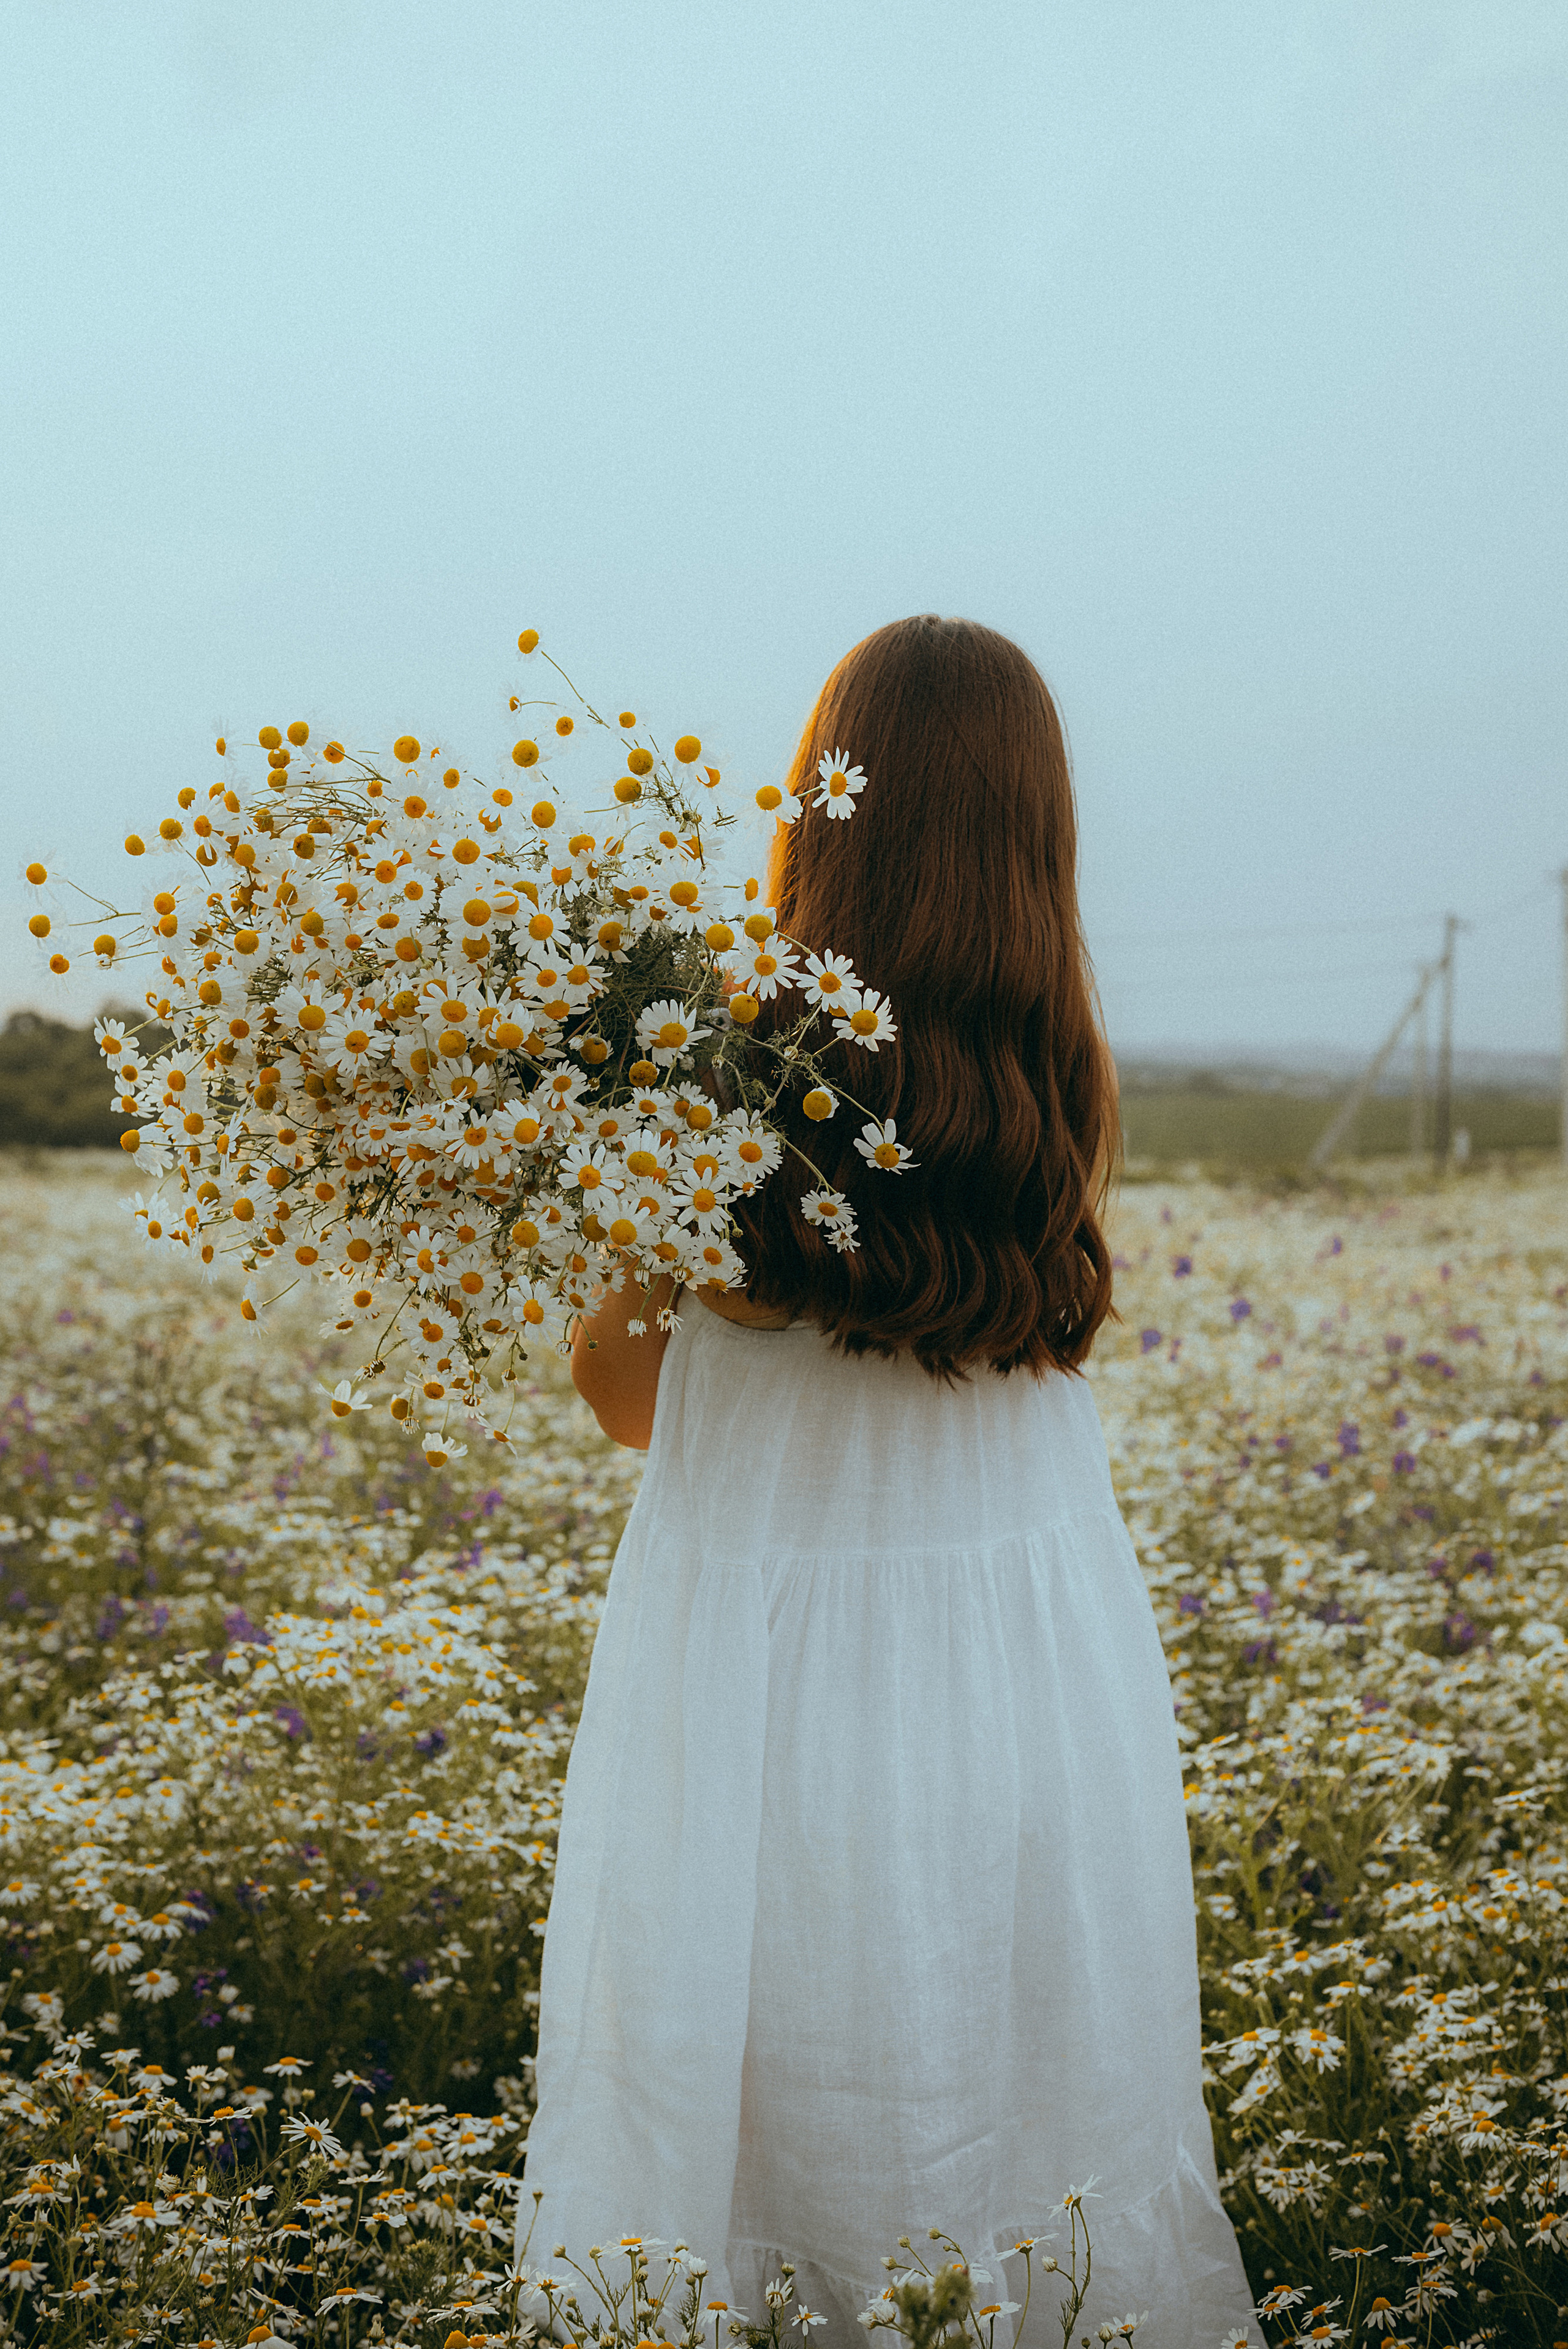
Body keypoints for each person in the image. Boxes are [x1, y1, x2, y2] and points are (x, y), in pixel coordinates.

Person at [519, 616, 1257, 2347]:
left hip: (772, 1699)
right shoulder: (1058, 1085)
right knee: (1021, 2116)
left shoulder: (703, 1083)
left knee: (767, 2133)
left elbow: (631, 1407)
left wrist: (587, 1151)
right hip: (1028, 1683)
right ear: (1036, 842)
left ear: (815, 815)